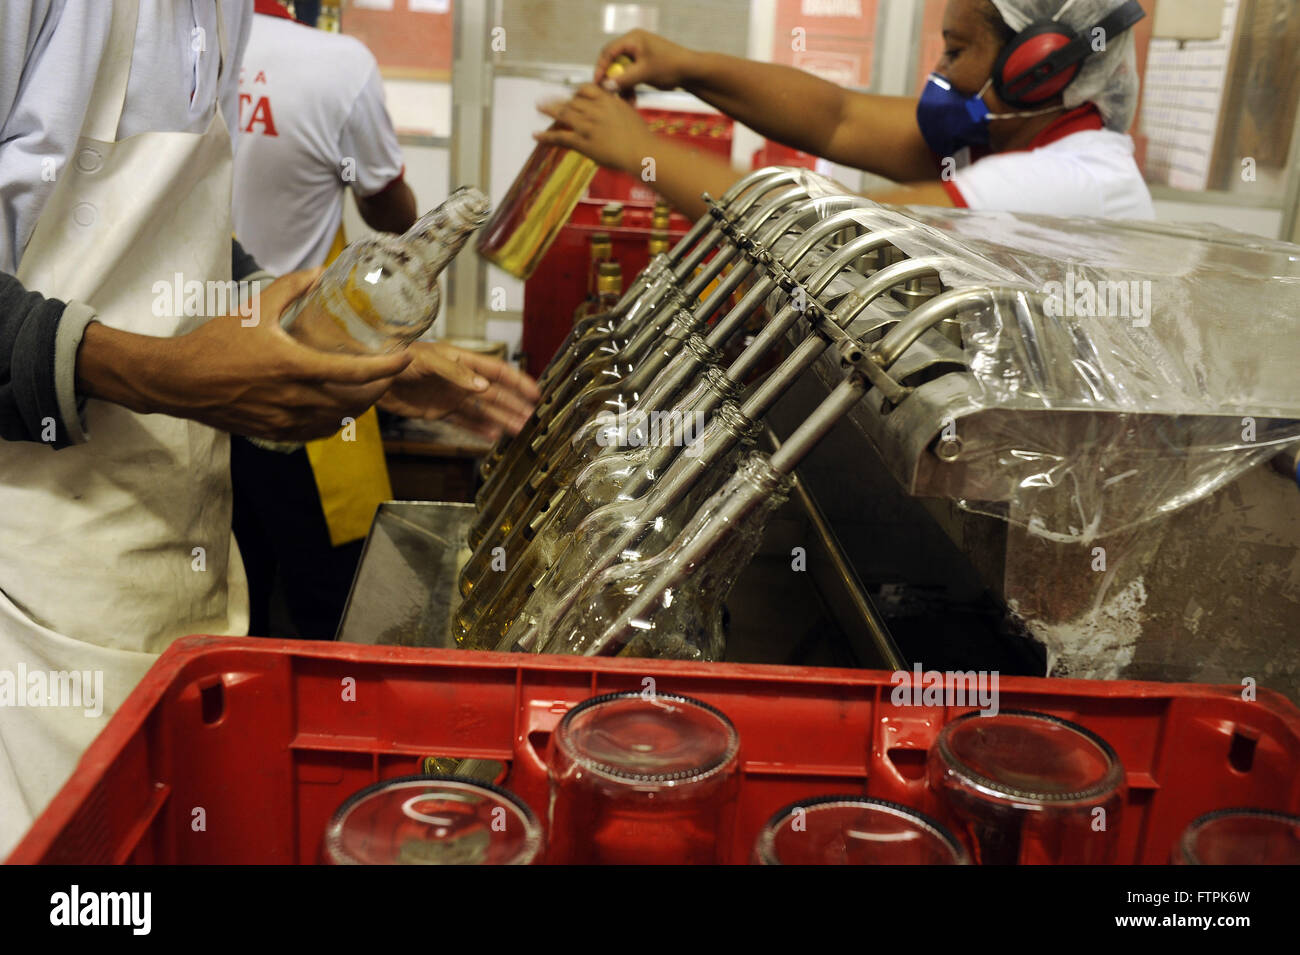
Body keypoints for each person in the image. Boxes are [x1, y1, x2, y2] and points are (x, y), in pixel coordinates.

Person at [0, 1, 535, 857]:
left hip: (172, 560)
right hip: (33, 584)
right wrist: (158, 372)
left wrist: (343, 349)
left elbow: (179, 248)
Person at [230, 0, 530, 639]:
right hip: (310, 366)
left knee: (229, 593)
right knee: (334, 607)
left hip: (200, 362)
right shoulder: (338, 63)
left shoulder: (197, 51)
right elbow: (391, 215)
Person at [536, 0, 1155, 221]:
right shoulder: (1004, 139)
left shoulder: (1070, 184)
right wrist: (689, 67)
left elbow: (811, 233)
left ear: (1039, 64)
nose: (940, 70)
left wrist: (639, 151)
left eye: (957, 49)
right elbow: (838, 118)